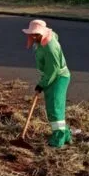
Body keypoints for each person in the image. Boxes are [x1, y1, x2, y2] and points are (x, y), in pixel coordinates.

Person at [22, 19, 72, 148]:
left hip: (58, 78)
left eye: (36, 34)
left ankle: (58, 139)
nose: (33, 36)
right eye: (32, 34)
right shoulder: (42, 40)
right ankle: (65, 134)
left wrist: (42, 84)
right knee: (53, 107)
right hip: (51, 77)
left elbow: (53, 70)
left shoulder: (50, 47)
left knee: (55, 108)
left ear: (43, 33)